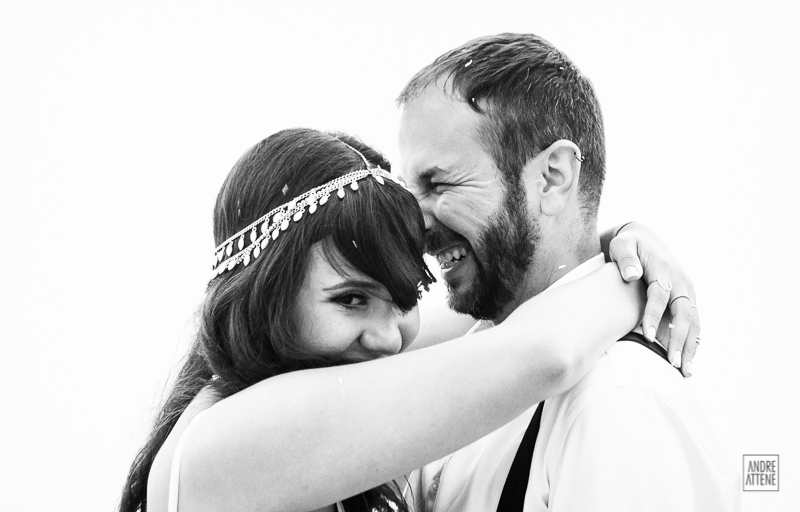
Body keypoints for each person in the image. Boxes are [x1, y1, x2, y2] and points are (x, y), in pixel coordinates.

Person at [119, 128, 694, 512]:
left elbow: (512, 307)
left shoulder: (344, 361)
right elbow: (542, 351)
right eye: (350, 299)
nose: (388, 336)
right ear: (263, 295)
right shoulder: (225, 441)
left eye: (402, 298)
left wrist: (613, 241)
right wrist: (638, 278)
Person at [396, 33, 737, 511]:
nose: (416, 223)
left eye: (437, 183)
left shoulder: (617, 402)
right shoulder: (462, 368)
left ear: (553, 178)